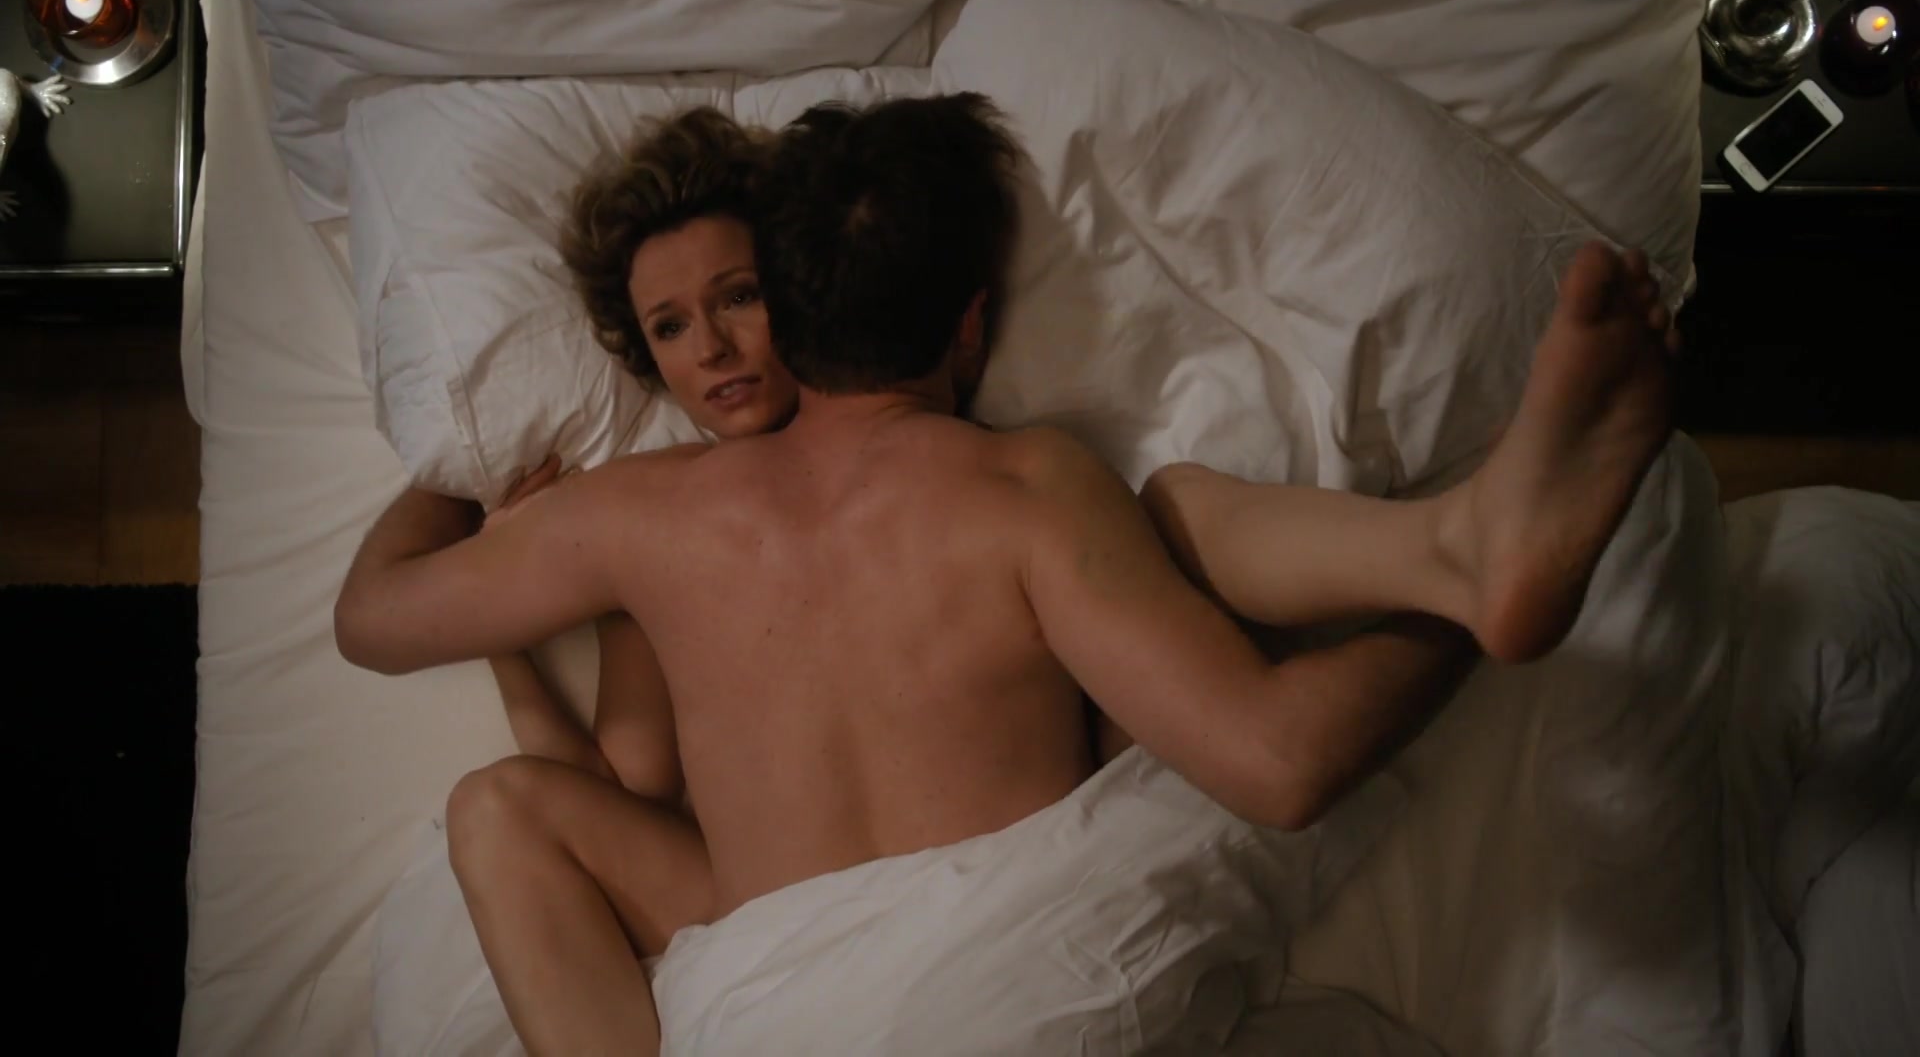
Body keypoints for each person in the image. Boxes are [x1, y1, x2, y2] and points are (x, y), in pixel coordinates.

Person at [335, 92, 1679, 1054]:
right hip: (1025, 983)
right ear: (972, 326)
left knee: (495, 809)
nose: (717, 345)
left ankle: (1472, 554)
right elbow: (1280, 765)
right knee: (1178, 525)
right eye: (676, 326)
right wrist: (1452, 639)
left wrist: (470, 455)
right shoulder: (1030, 488)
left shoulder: (632, 517)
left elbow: (372, 620)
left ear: (790, 303)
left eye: (734, 300)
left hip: (772, 1006)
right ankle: (1462, 558)